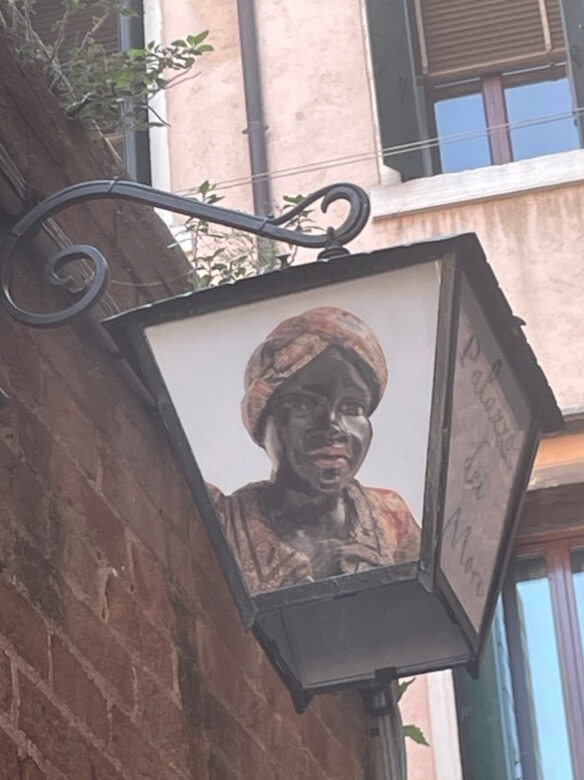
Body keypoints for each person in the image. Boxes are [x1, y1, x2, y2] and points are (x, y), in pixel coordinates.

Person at [209, 306, 420, 593]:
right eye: (302, 404)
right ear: (260, 419)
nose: (332, 426)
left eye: (352, 407)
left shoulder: (390, 517)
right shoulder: (221, 524)